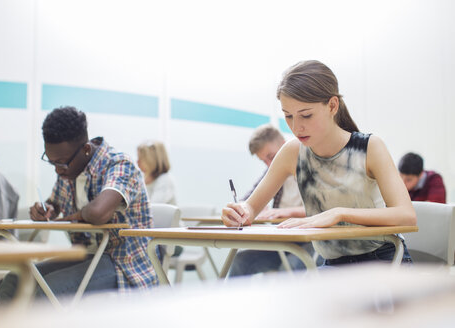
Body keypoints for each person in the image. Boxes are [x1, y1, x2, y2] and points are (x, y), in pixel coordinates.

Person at [222, 60, 416, 267]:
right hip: (332, 263)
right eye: (288, 116)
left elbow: (406, 215)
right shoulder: (292, 152)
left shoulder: (370, 147)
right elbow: (251, 207)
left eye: (306, 115)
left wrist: (338, 213)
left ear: (332, 106)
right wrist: (240, 212)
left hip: (383, 258)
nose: (296, 127)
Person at [0, 106, 158, 303]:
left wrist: (78, 215)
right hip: (84, 256)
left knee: (47, 291)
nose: (57, 170)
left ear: (86, 149)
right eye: (52, 161)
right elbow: (54, 204)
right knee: (13, 280)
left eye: (62, 163)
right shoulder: (69, 171)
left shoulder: (120, 164)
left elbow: (99, 213)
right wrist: (46, 210)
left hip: (124, 264)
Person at [229, 124, 315, 276]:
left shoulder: (314, 166)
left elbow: (322, 210)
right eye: (264, 161)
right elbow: (248, 199)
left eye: (271, 157)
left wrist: (282, 212)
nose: (270, 165)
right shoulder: (273, 170)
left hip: (312, 240)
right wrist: (241, 209)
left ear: (284, 146)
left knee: (289, 269)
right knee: (241, 261)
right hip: (283, 239)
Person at [137, 140, 176, 205]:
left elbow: (154, 208)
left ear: (152, 160)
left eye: (141, 158)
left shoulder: (165, 180)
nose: (137, 162)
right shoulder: (142, 179)